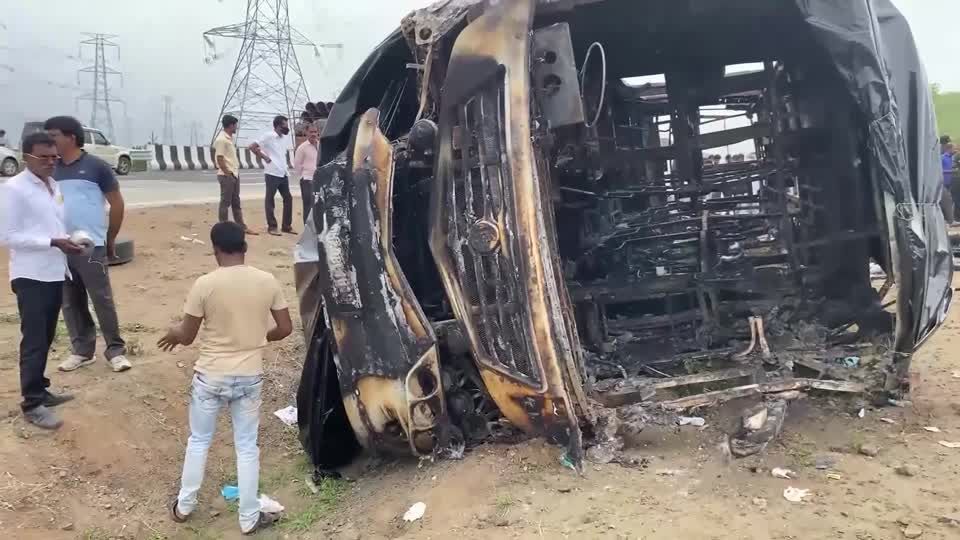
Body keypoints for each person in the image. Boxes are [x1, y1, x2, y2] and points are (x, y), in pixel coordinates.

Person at [159, 221, 293, 535]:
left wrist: (174, 334)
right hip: (248, 376)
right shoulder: (267, 281)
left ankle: (184, 507)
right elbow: (285, 328)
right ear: (244, 246)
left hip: (211, 376)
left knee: (199, 441)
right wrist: (258, 338)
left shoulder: (205, 284)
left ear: (216, 249)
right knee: (247, 448)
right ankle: (248, 519)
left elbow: (189, 335)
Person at [1, 132, 83, 429]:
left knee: (46, 336)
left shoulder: (53, 184)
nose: (51, 162)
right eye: (43, 157)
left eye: (54, 157)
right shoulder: (14, 189)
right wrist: (52, 242)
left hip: (54, 270)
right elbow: (7, 236)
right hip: (30, 275)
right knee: (35, 340)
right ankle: (32, 403)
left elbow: (55, 224)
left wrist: (69, 240)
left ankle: (41, 387)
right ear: (26, 157)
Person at [44, 115, 132, 373]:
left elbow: (117, 202)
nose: (50, 143)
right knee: (70, 301)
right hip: (60, 246)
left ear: (71, 137)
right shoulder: (51, 169)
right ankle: (82, 350)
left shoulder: (97, 167)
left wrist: (111, 238)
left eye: (54, 136)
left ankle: (115, 350)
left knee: (101, 298)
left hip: (90, 245)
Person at [249, 115, 294, 236]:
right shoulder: (268, 136)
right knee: (270, 200)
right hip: (272, 173)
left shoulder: (283, 138)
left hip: (283, 173)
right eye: (285, 125)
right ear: (279, 126)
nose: (287, 128)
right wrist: (264, 157)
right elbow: (252, 146)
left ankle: (286, 226)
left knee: (288, 198)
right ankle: (272, 227)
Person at [213, 115, 257, 235]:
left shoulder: (229, 139)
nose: (236, 127)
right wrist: (228, 174)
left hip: (234, 174)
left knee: (236, 202)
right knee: (225, 203)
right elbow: (219, 158)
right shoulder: (222, 139)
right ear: (231, 125)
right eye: (235, 125)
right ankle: (223, 229)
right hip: (227, 175)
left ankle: (241, 227)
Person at [293, 124, 320, 223]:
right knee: (308, 206)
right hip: (307, 181)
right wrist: (305, 175)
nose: (313, 134)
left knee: (318, 205)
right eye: (311, 132)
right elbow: (297, 165)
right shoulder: (302, 148)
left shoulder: (320, 145)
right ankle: (307, 229)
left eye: (315, 132)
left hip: (319, 180)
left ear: (318, 133)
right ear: (306, 133)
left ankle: (317, 228)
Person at [943, 141, 956, 224]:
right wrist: (951, 171)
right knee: (947, 201)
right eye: (953, 148)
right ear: (949, 148)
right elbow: (939, 170)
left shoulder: (952, 158)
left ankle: (951, 219)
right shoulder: (942, 158)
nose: (954, 150)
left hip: (952, 183)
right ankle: (949, 220)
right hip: (944, 183)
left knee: (952, 201)